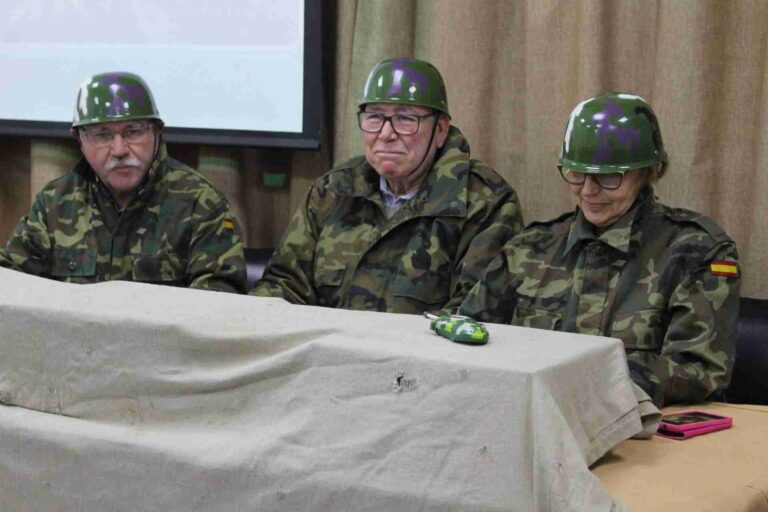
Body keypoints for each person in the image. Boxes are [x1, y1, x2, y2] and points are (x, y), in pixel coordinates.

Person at [460, 92, 740, 408]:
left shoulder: (695, 251)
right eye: (577, 174)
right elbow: (468, 335)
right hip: (531, 420)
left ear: (648, 172)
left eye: (609, 177)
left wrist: (590, 385)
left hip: (643, 433)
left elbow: (699, 368)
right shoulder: (530, 249)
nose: (589, 190)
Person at [251, 58, 524, 313]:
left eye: (405, 118)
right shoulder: (333, 191)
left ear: (440, 130)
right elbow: (285, 286)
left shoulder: (485, 203)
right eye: (374, 117)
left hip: (422, 360)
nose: (385, 134)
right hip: (324, 356)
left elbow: (473, 315)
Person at [0, 71, 245, 292]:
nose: (119, 150)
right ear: (80, 140)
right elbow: (10, 284)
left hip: (162, 342)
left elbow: (219, 307)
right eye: (102, 135)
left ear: (157, 132)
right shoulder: (54, 203)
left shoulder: (200, 203)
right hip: (78, 341)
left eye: (133, 131)